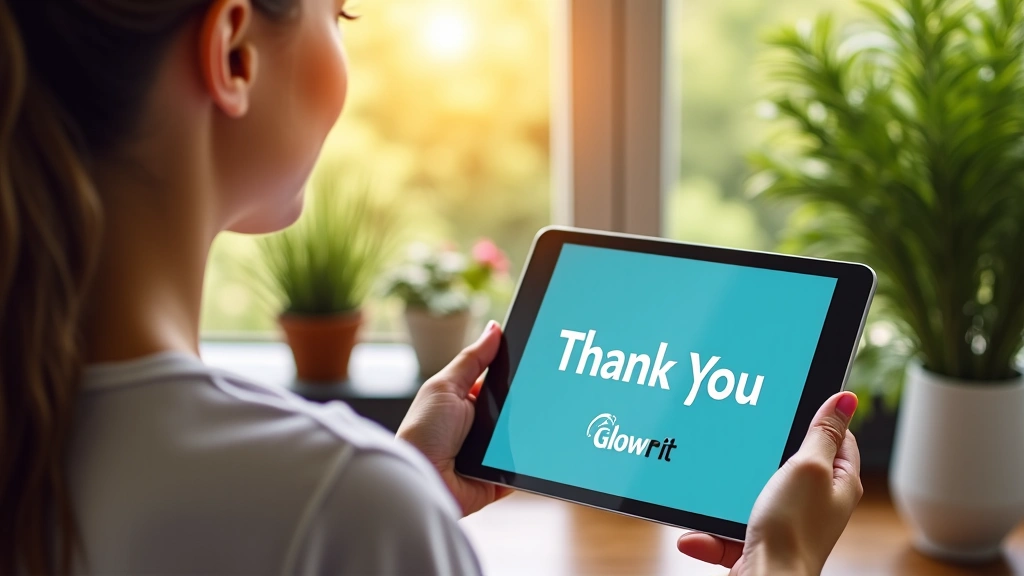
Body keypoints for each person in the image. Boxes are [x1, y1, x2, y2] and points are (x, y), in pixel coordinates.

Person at [0, 0, 864, 574]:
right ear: (233, 52)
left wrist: (408, 486)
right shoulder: (343, 506)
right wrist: (779, 561)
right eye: (338, 11)